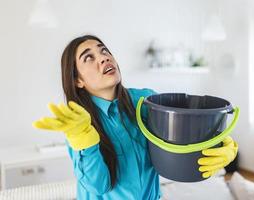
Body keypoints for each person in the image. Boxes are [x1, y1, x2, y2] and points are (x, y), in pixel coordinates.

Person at [32, 35, 238, 200]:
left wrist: (221, 143)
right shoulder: (80, 124)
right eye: (89, 57)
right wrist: (83, 139)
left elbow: (179, 145)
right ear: (78, 80)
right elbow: (98, 185)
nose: (104, 58)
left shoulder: (145, 101)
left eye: (104, 51)